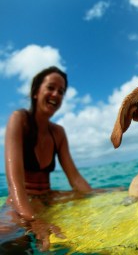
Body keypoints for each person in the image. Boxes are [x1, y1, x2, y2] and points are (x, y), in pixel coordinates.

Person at [1, 66, 92, 252]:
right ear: (36, 92)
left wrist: (97, 197)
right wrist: (33, 220)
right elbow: (14, 184)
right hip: (21, 201)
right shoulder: (20, 120)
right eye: (51, 87)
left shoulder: (58, 133)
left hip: (50, 199)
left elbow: (75, 178)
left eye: (61, 91)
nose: (56, 94)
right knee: (12, 243)